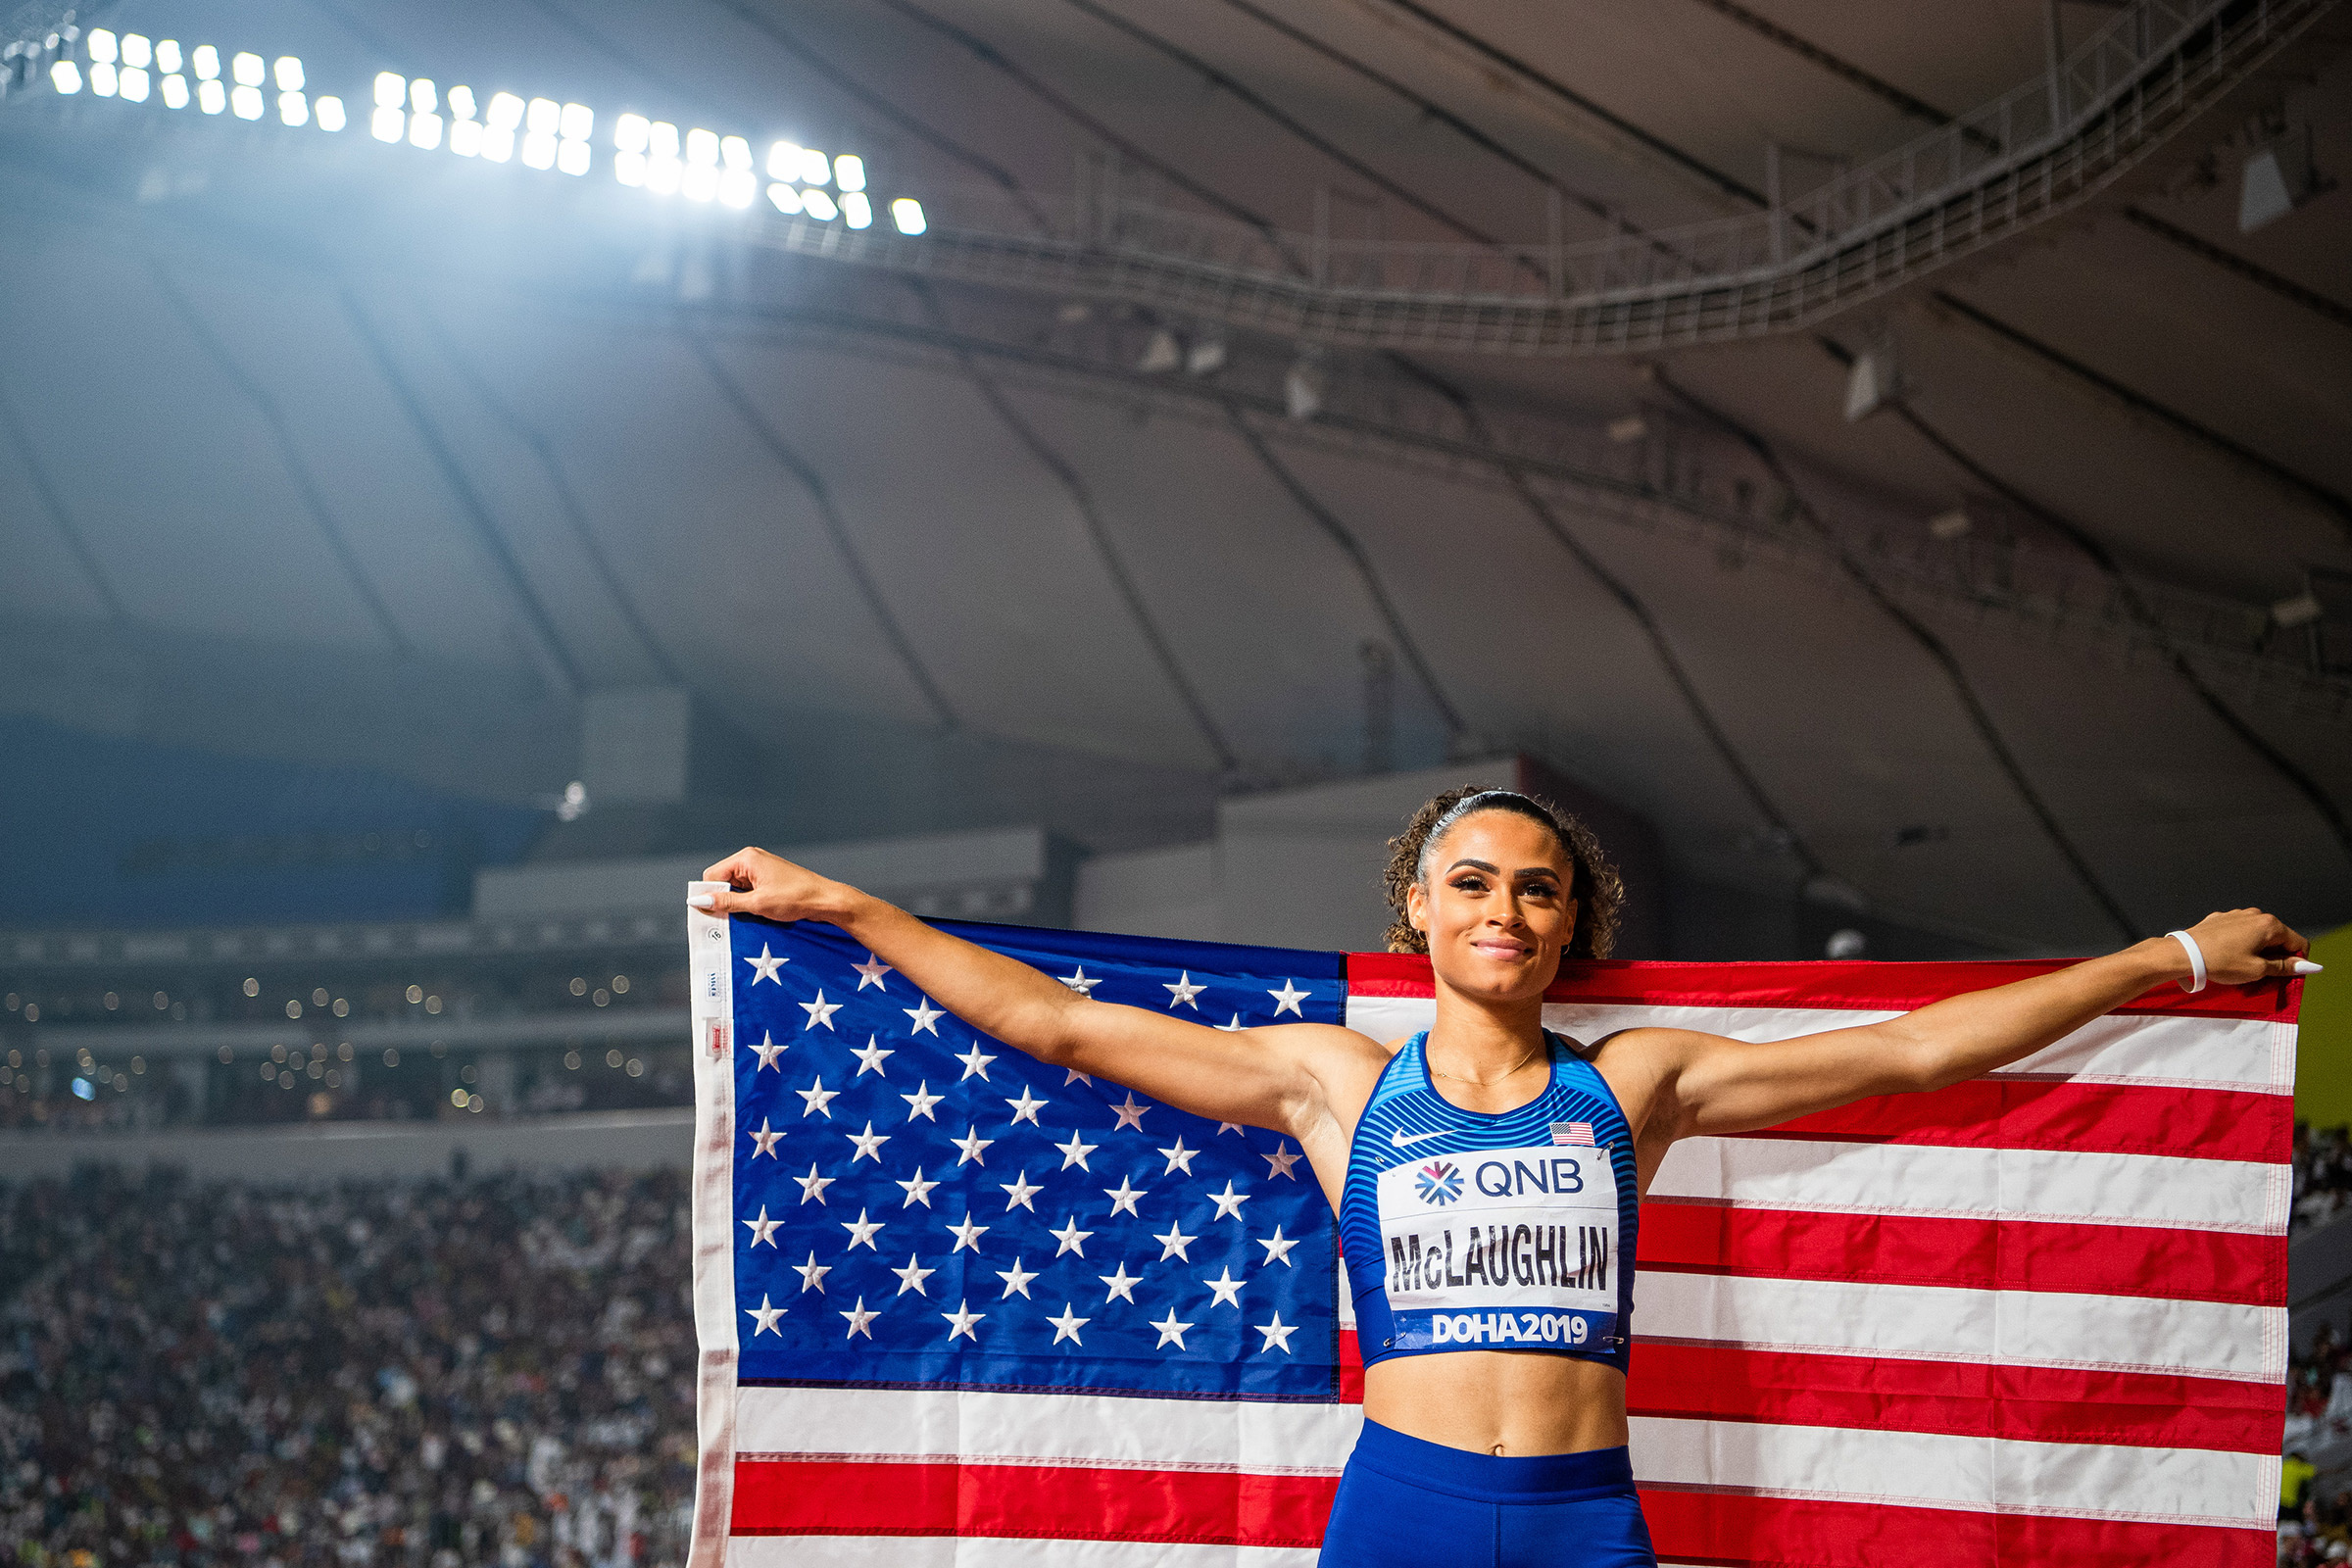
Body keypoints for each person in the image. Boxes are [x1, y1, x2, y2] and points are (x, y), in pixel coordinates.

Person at [698, 785, 2321, 1568]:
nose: (1505, 909)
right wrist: (847, 907)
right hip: (1402, 1510)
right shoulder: (1336, 1082)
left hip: (1580, 1523)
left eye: (1538, 892)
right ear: (1419, 905)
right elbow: (1051, 1021)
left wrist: (2165, 956)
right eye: (1472, 881)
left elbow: (1913, 1056)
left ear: (1568, 928)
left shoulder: (1640, 1084)